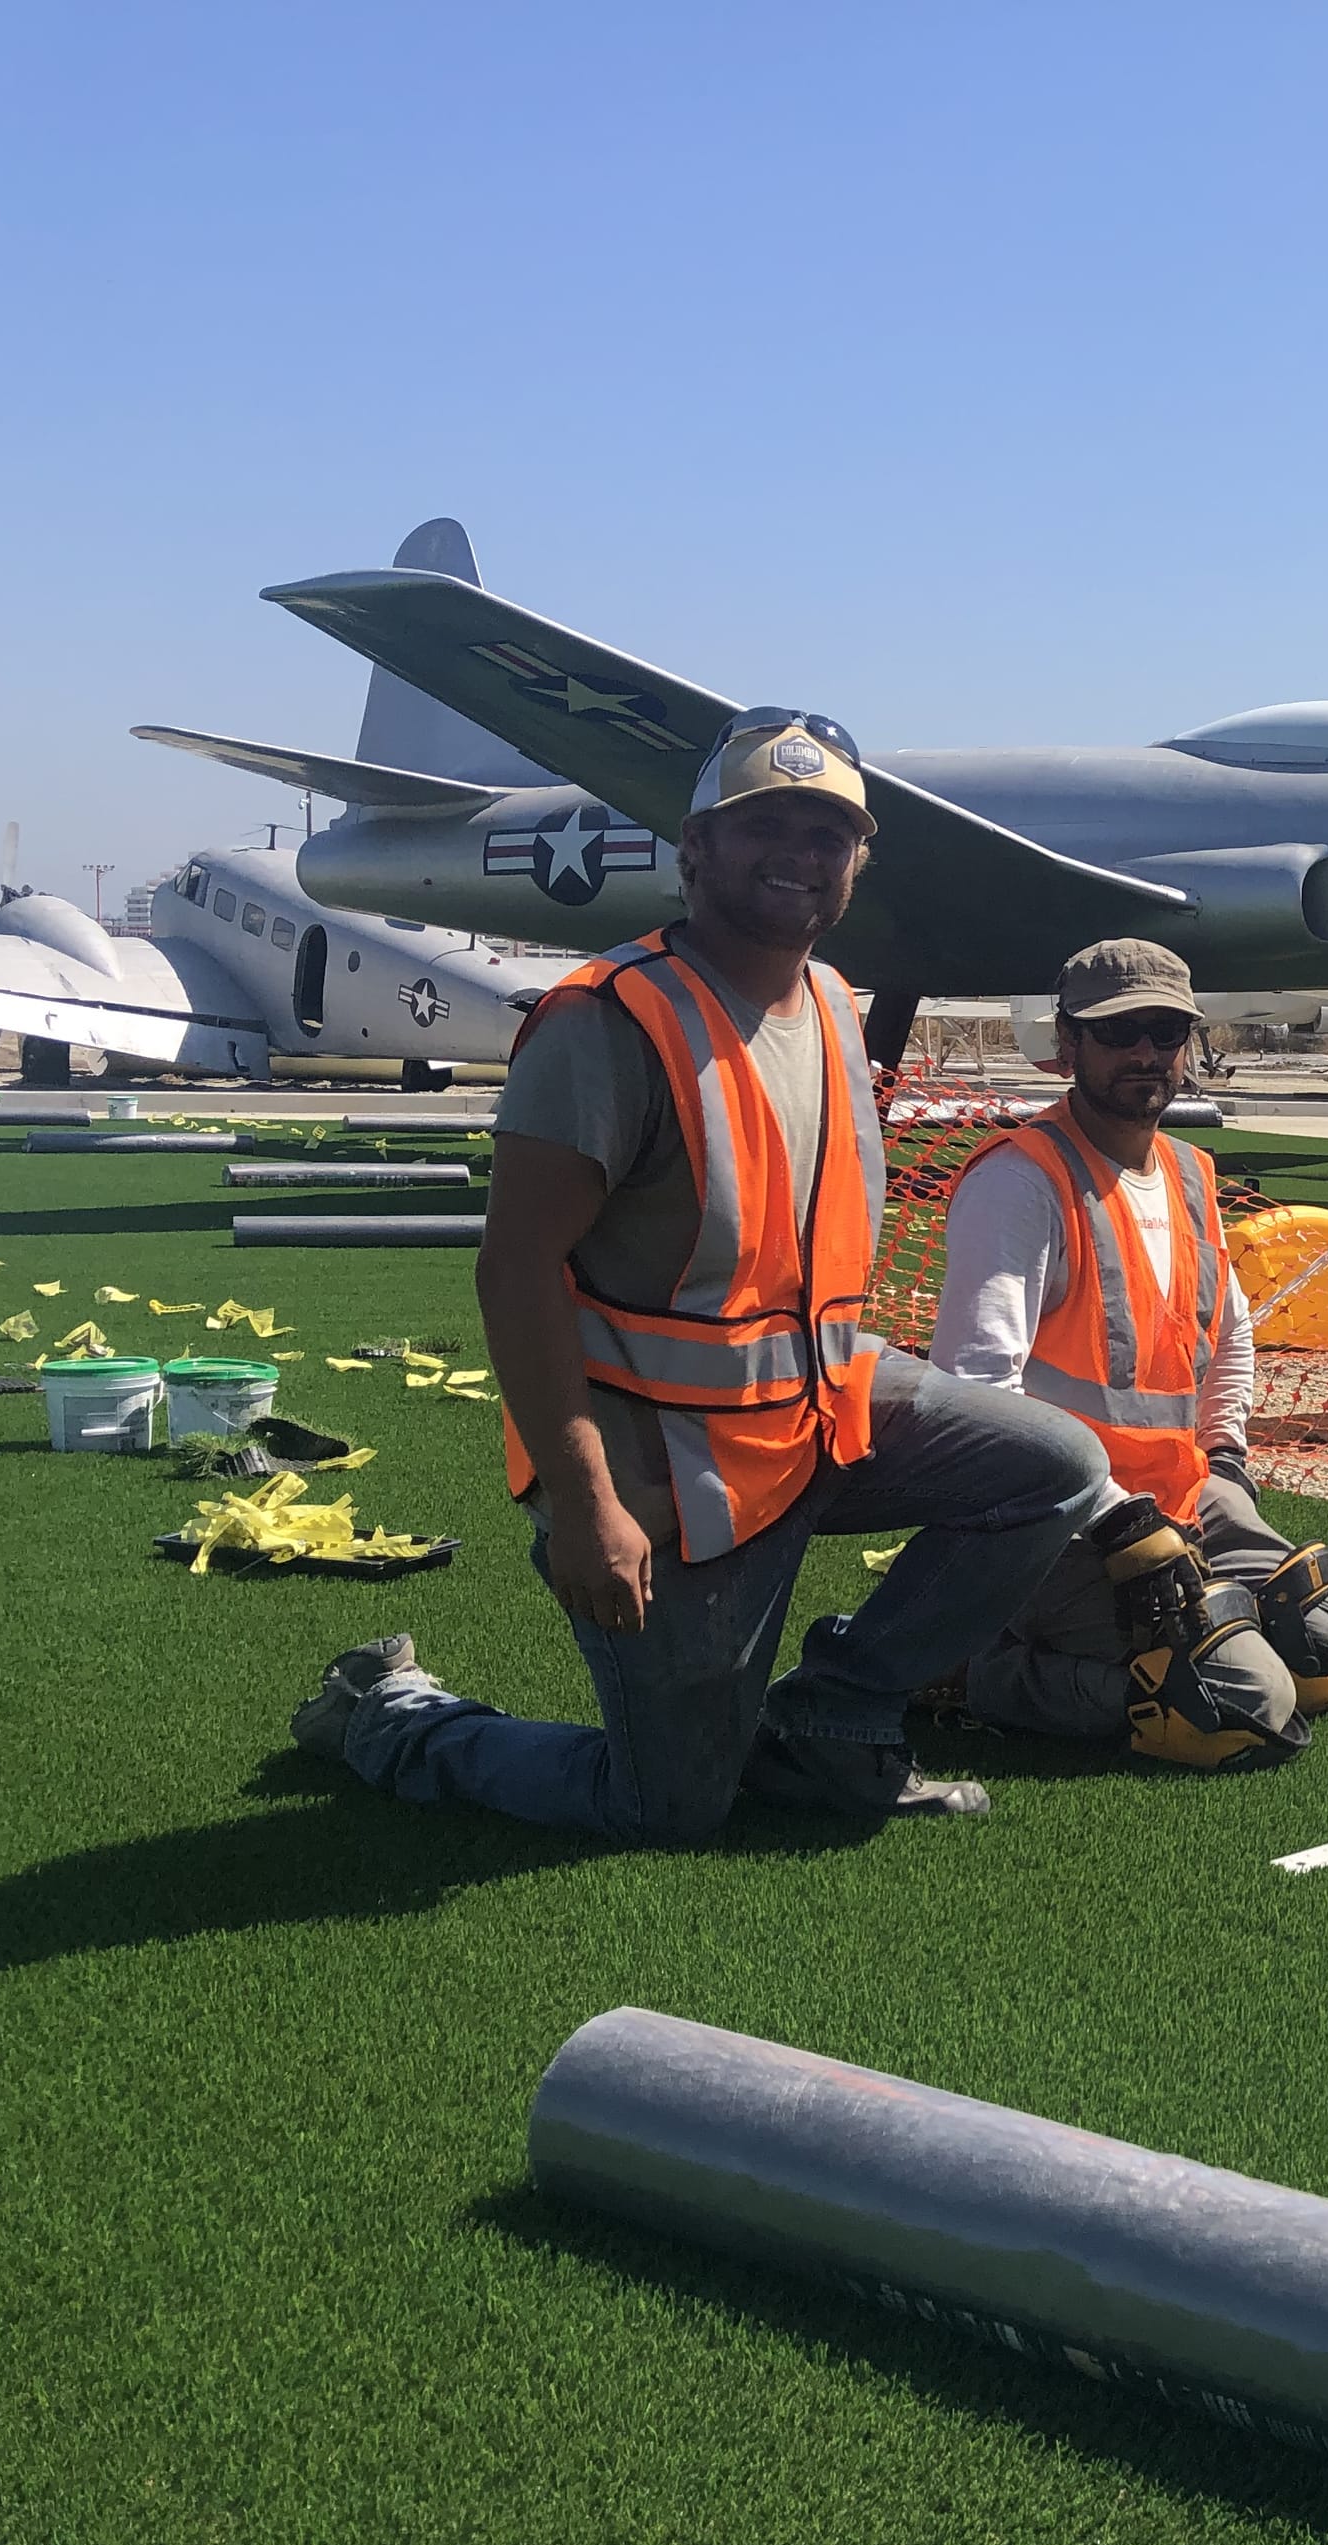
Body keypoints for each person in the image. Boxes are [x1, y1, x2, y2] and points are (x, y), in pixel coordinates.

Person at [285, 709, 1109, 1838]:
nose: (799, 855)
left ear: (860, 861)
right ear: (696, 846)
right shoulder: (607, 1021)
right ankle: (389, 1712)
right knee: (667, 1803)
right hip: (668, 1473)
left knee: (1054, 1464)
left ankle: (834, 1713)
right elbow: (515, 1268)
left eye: (828, 834)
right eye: (764, 822)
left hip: (816, 1418)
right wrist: (584, 1505)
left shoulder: (826, 998)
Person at [932, 939, 1328, 1766]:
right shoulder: (1021, 1180)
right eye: (1119, 1033)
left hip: (1180, 1493)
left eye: (1166, 1032)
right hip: (1052, 1520)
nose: (1146, 1052)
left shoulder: (1188, 1171)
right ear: (1068, 1045)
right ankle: (960, 1665)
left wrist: (1226, 1457)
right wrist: (1117, 1517)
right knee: (1241, 1708)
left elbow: (1231, 1331)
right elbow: (976, 1391)